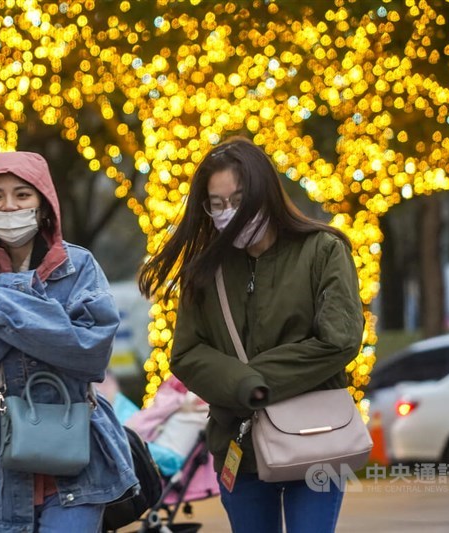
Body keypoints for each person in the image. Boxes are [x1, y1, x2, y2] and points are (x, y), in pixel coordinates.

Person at [138, 137, 364, 533]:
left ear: (266, 193)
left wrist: (254, 380)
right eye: (218, 204)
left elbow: (339, 339)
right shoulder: (205, 271)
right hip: (237, 446)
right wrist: (243, 385)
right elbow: (187, 354)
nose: (229, 213)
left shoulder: (323, 250)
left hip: (316, 436)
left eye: (239, 199)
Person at [0, 151, 138, 533]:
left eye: (22, 195)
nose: (9, 205)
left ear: (44, 204)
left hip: (79, 469)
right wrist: (39, 322)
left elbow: (90, 354)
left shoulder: (80, 268)